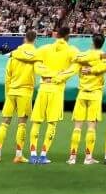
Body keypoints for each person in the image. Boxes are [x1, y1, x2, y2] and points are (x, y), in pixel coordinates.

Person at [30, 26, 78, 165]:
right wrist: (58, 77)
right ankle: (43, 155)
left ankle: (33, 155)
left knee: (37, 121)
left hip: (44, 87)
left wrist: (47, 75)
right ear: (68, 36)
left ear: (56, 35)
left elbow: (36, 65)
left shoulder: (44, 49)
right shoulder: (72, 50)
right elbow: (75, 68)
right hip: (57, 89)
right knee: (52, 123)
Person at [0, 29, 41, 162]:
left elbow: (7, 76)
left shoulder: (13, 55)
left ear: (24, 38)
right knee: (22, 124)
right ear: (35, 40)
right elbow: (39, 70)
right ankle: (18, 155)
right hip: (25, 92)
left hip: (11, 92)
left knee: (4, 122)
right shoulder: (36, 55)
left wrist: (7, 93)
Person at [69, 34, 106, 164]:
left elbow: (74, 58)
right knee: (91, 126)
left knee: (77, 126)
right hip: (95, 94)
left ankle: (72, 157)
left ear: (92, 42)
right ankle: (88, 158)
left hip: (82, 93)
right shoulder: (104, 57)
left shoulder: (83, 55)